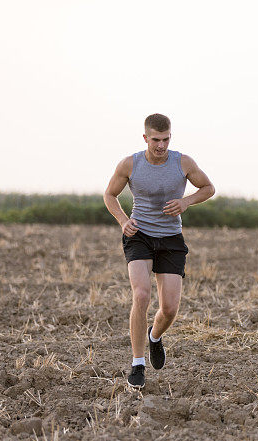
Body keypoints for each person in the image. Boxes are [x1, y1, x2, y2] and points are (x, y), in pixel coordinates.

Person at [103, 113, 215, 388]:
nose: (161, 145)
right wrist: (122, 220)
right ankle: (137, 363)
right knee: (141, 295)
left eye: (166, 139)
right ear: (145, 138)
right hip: (139, 235)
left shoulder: (183, 163)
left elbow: (209, 188)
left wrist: (186, 202)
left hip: (171, 238)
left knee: (169, 308)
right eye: (156, 140)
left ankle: (154, 336)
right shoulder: (131, 164)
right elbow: (109, 195)